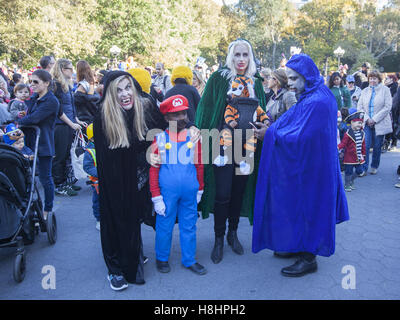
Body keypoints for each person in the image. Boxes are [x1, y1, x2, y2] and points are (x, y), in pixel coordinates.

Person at [252, 54, 349, 277]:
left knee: (312, 208)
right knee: (300, 206)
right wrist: (273, 129)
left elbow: (302, 136)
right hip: (307, 166)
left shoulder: (319, 101)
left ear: (307, 75)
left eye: (295, 78)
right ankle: (299, 245)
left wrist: (270, 134)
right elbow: (294, 124)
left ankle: (309, 257)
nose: (291, 83)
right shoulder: (312, 95)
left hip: (315, 170)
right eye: (289, 78)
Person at [195, 39, 267, 264]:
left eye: (246, 55)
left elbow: (262, 110)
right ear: (231, 57)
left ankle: (232, 234)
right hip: (222, 144)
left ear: (251, 57)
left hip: (248, 145)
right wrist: (200, 133)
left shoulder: (256, 82)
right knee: (223, 193)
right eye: (237, 55)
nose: (242, 60)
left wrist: (264, 129)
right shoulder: (219, 78)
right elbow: (205, 107)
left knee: (239, 191)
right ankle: (218, 239)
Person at [93, 71, 149, 291]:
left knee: (133, 218)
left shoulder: (139, 109)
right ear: (109, 94)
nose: (125, 94)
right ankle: (115, 269)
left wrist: (190, 126)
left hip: (133, 178)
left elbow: (162, 125)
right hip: (113, 182)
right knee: (116, 221)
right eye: (118, 90)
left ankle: (132, 254)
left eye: (128, 88)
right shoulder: (102, 117)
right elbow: (109, 163)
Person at [150, 95, 206, 275]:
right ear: (166, 118)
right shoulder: (159, 139)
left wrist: (200, 188)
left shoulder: (194, 137)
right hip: (167, 194)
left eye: (183, 113)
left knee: (189, 225)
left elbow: (199, 164)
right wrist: (156, 197)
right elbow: (153, 169)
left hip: (190, 193)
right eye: (175, 114)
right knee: (164, 226)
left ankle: (189, 259)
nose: (181, 117)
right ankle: (162, 258)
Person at [18, 69, 60, 220]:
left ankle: (47, 209)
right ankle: (29, 207)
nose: (32, 85)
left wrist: (18, 122)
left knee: (45, 178)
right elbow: (29, 116)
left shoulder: (51, 101)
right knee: (27, 178)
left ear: (46, 83)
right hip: (28, 143)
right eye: (30, 81)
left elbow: (35, 118)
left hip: (43, 143)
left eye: (35, 82)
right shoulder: (35, 98)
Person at [51, 59, 86, 196]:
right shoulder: (56, 85)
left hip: (69, 124)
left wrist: (76, 119)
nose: (72, 71)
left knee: (66, 155)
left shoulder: (66, 85)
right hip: (60, 126)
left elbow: (70, 105)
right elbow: (58, 109)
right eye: (70, 68)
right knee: (59, 156)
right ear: (61, 69)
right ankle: (59, 185)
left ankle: (65, 182)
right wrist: (71, 123)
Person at [357, 70, 393, 175]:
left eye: (374, 78)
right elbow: (360, 107)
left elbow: (387, 107)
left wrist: (375, 119)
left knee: (377, 146)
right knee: (366, 145)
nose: (372, 80)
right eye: (371, 78)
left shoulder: (385, 90)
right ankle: (364, 168)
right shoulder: (364, 91)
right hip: (366, 122)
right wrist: (367, 119)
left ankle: (374, 165)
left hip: (379, 122)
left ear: (379, 79)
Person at [338, 108, 366, 192]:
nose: (359, 125)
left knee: (360, 171)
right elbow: (343, 143)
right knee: (348, 172)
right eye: (358, 122)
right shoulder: (348, 134)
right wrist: (338, 147)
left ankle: (351, 180)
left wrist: (364, 154)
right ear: (352, 122)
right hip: (349, 157)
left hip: (358, 156)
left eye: (361, 123)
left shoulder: (362, 133)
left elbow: (363, 145)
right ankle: (347, 184)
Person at [83, 123, 100, 231]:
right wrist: (101, 173)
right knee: (97, 201)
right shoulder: (90, 151)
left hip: (108, 180)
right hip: (97, 182)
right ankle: (99, 219)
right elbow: (87, 167)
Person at [74, 60, 100, 125]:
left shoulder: (83, 85)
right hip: (91, 117)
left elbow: (77, 99)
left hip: (83, 118)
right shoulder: (91, 82)